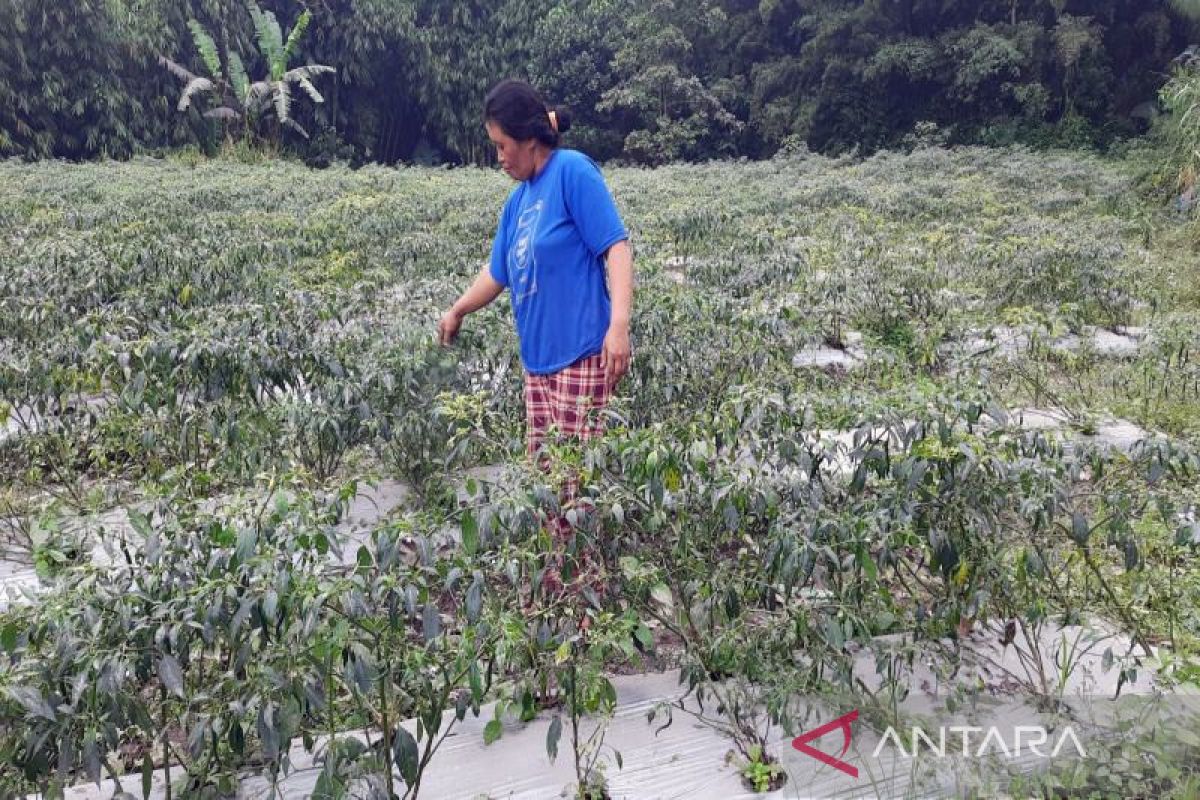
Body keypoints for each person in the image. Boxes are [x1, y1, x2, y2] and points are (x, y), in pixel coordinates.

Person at [437, 79, 634, 599]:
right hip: (539, 366)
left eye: (502, 146)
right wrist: (458, 309)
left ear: (529, 139)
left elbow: (616, 247)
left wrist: (619, 325)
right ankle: (557, 591)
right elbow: (497, 272)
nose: (498, 157)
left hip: (581, 357)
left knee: (576, 491)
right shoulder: (518, 201)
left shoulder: (572, 173)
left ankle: (586, 602)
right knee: (547, 486)